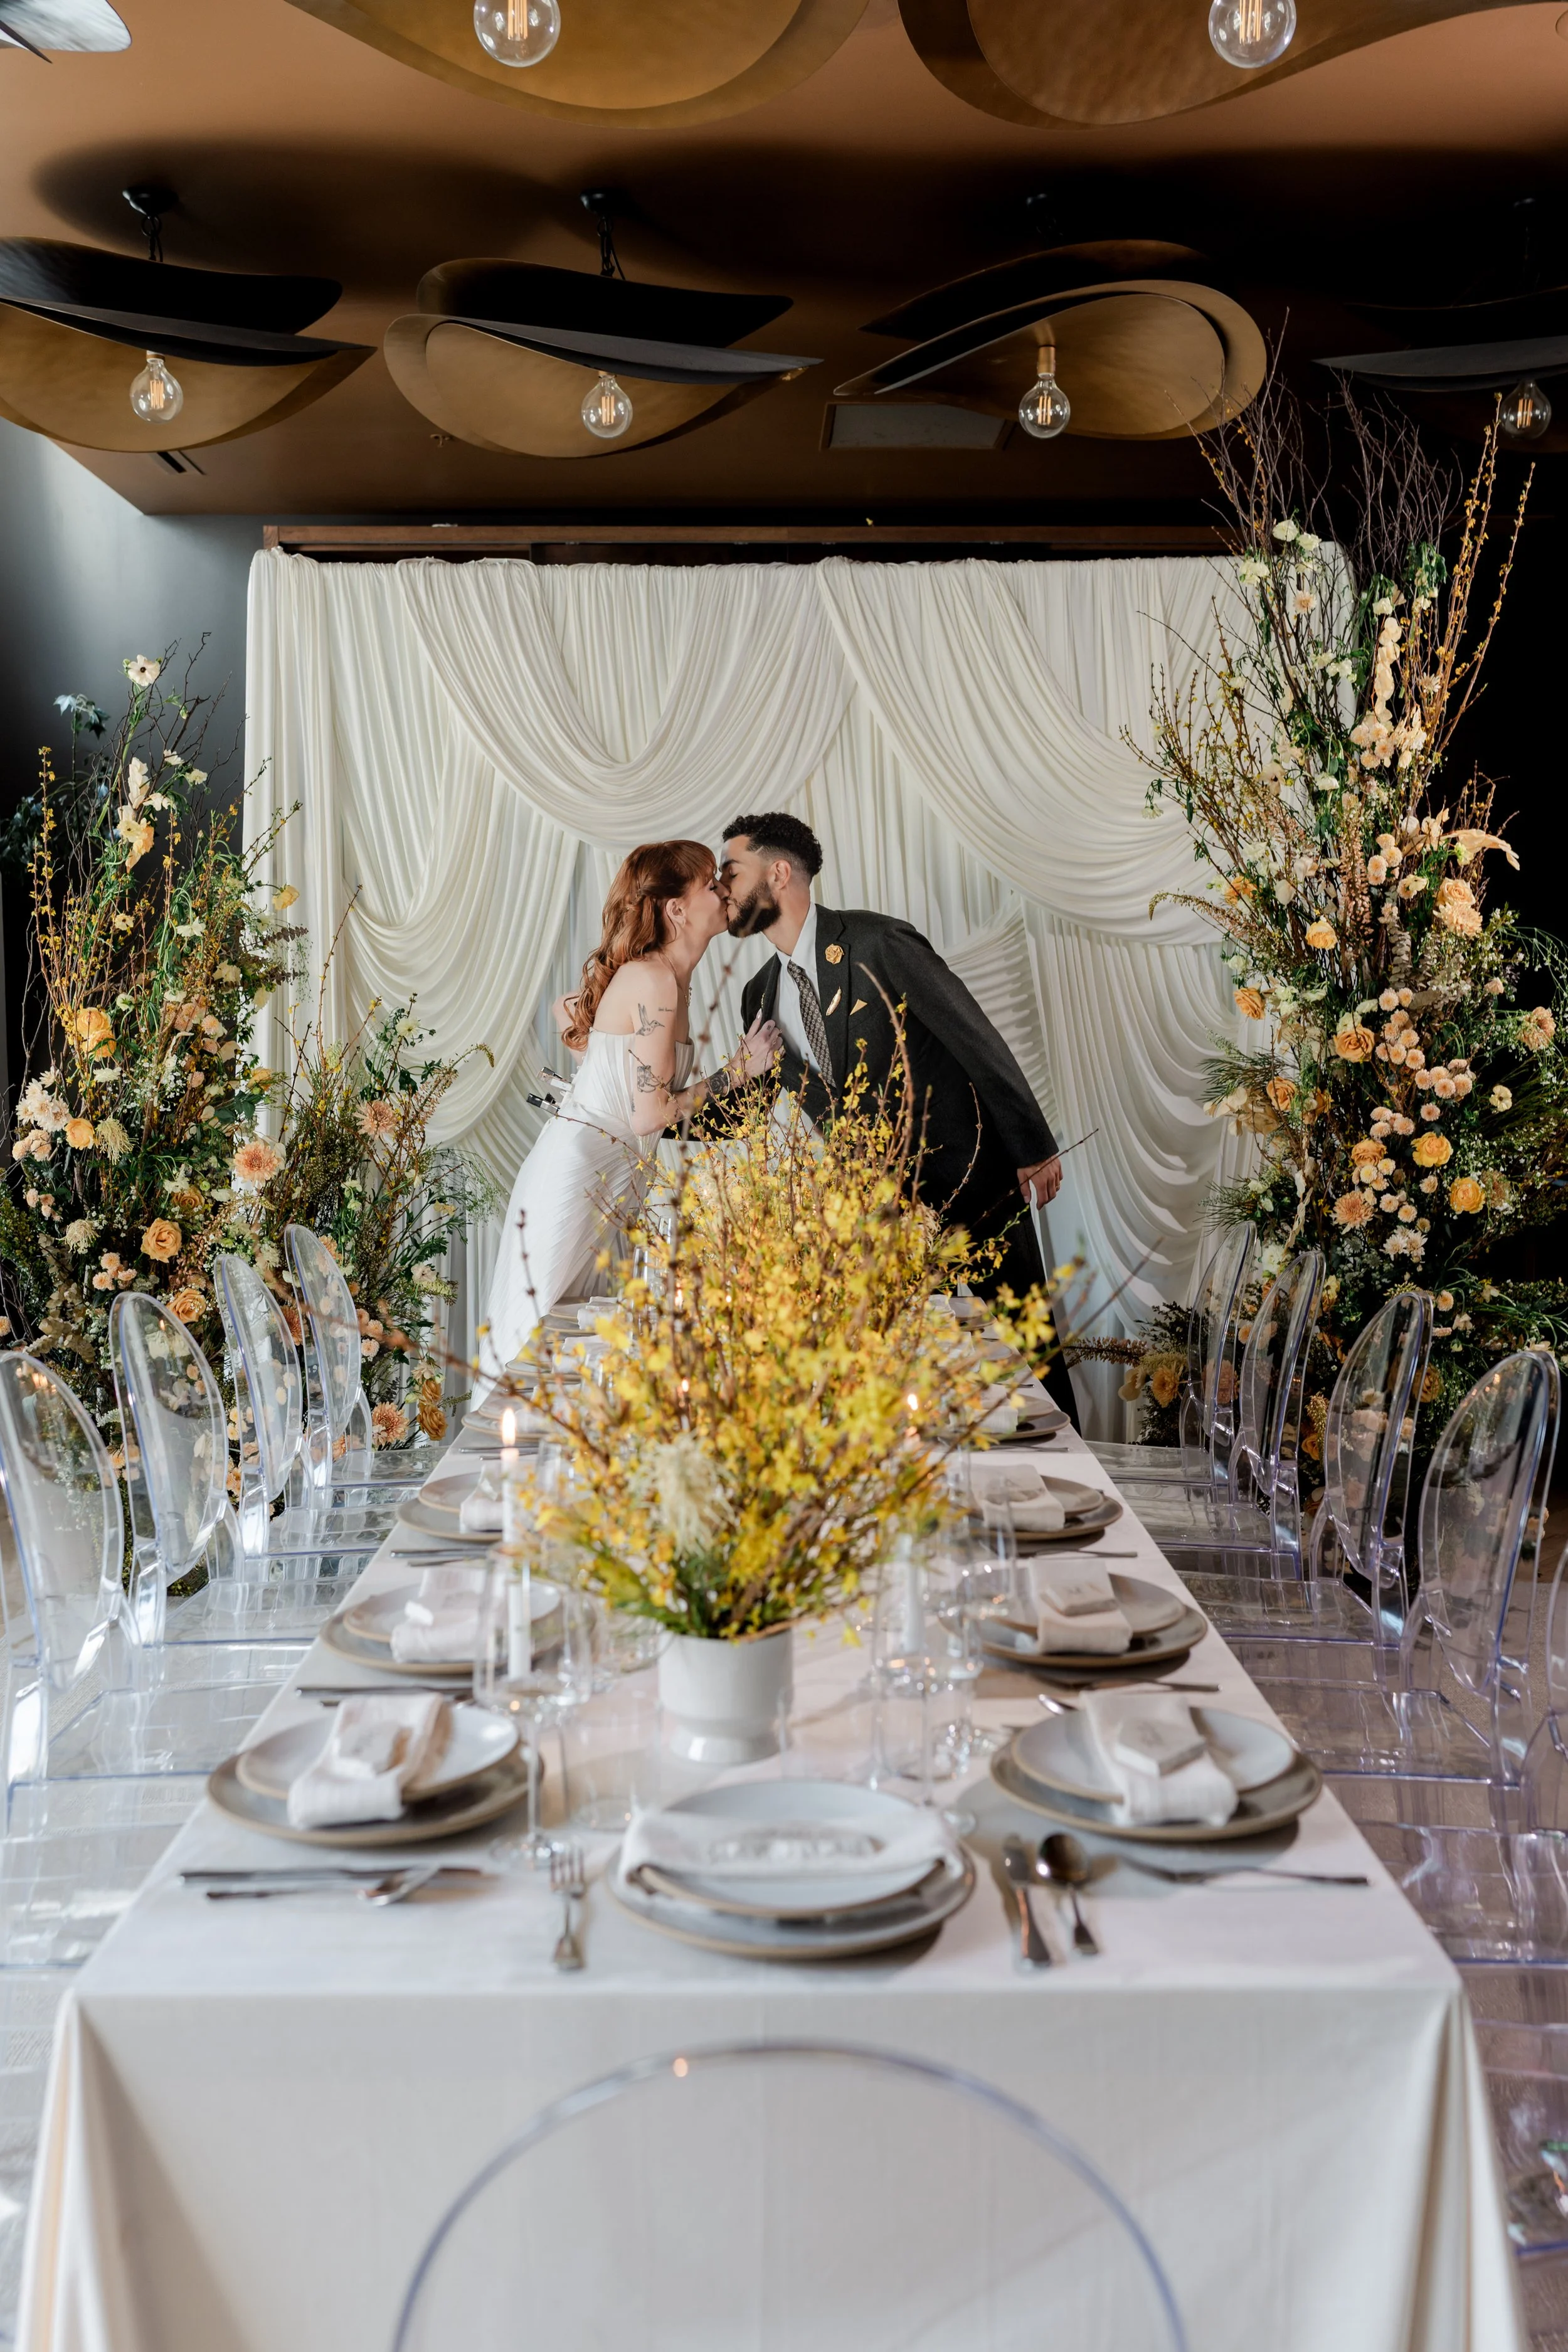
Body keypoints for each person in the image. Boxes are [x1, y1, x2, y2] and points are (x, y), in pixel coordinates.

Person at [719, 810, 1076, 1421]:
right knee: (911, 1386)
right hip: (879, 1221)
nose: (719, 886)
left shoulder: (879, 944)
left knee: (1030, 1362)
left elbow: (973, 1036)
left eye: (729, 870)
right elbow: (748, 1108)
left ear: (778, 874)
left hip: (972, 1187)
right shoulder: (756, 994)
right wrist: (646, 1109)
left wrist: (1032, 1146)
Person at [484, 839, 780, 1379]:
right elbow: (649, 1116)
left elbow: (570, 1012)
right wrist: (738, 1072)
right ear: (677, 908)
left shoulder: (665, 976)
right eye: (710, 883)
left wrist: (600, 1075)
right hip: (579, 1177)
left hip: (604, 1173)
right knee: (537, 1340)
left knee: (577, 1341)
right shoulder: (656, 979)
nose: (723, 890)